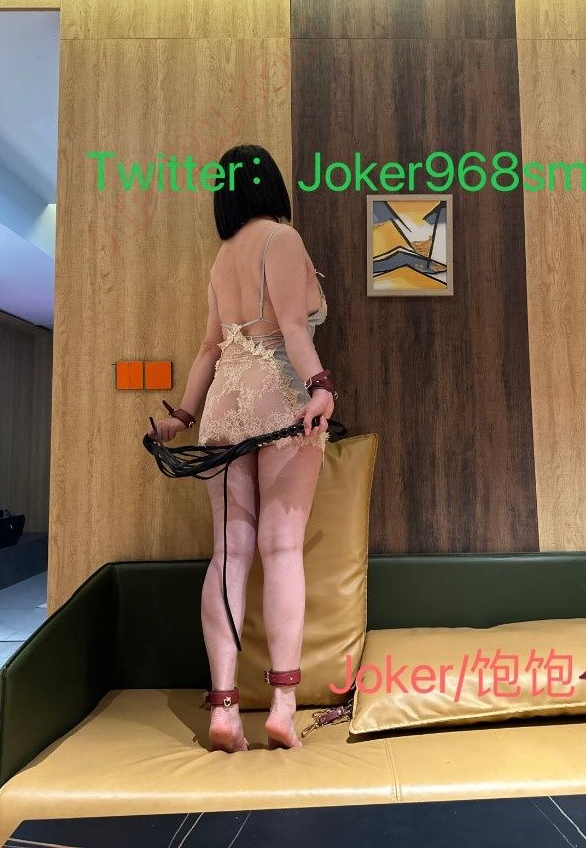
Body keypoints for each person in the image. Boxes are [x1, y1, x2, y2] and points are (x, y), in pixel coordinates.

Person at [147, 144, 337, 753]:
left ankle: (224, 708)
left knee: (229, 554)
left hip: (224, 408)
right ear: (271, 187)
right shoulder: (281, 239)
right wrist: (321, 385)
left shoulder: (223, 256)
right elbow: (292, 328)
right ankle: (282, 704)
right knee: (281, 549)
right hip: (279, 399)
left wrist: (183, 415)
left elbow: (209, 347)